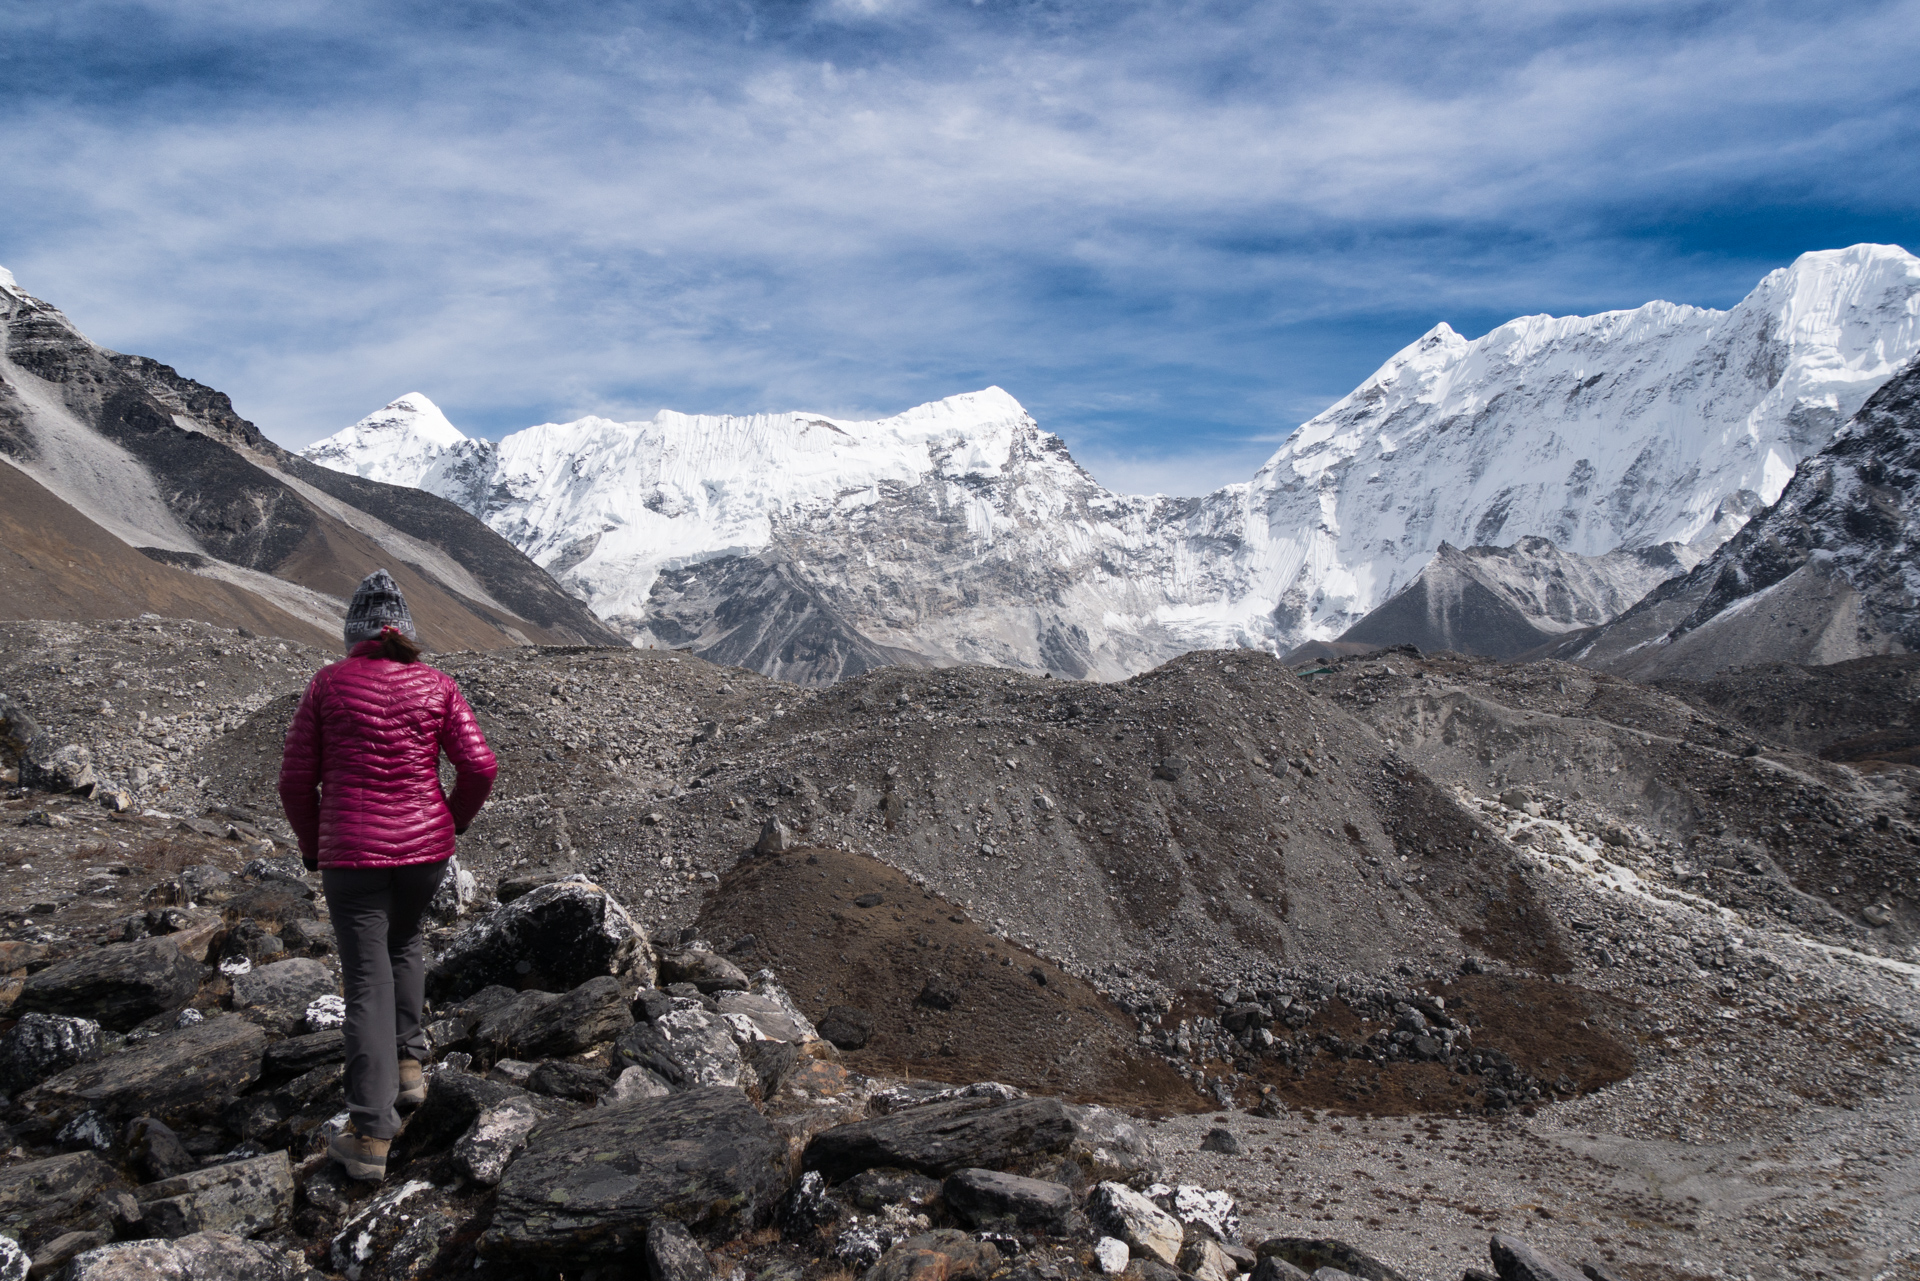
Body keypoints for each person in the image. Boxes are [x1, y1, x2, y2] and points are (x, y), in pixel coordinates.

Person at [278, 568, 497, 1181]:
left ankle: (371, 1133)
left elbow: (296, 782)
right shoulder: (437, 685)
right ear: (406, 634)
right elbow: (480, 766)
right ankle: (408, 1066)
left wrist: (311, 843)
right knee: (405, 940)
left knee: (365, 980)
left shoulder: (327, 686)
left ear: (354, 635)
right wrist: (446, 825)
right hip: (425, 854)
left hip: (350, 854)